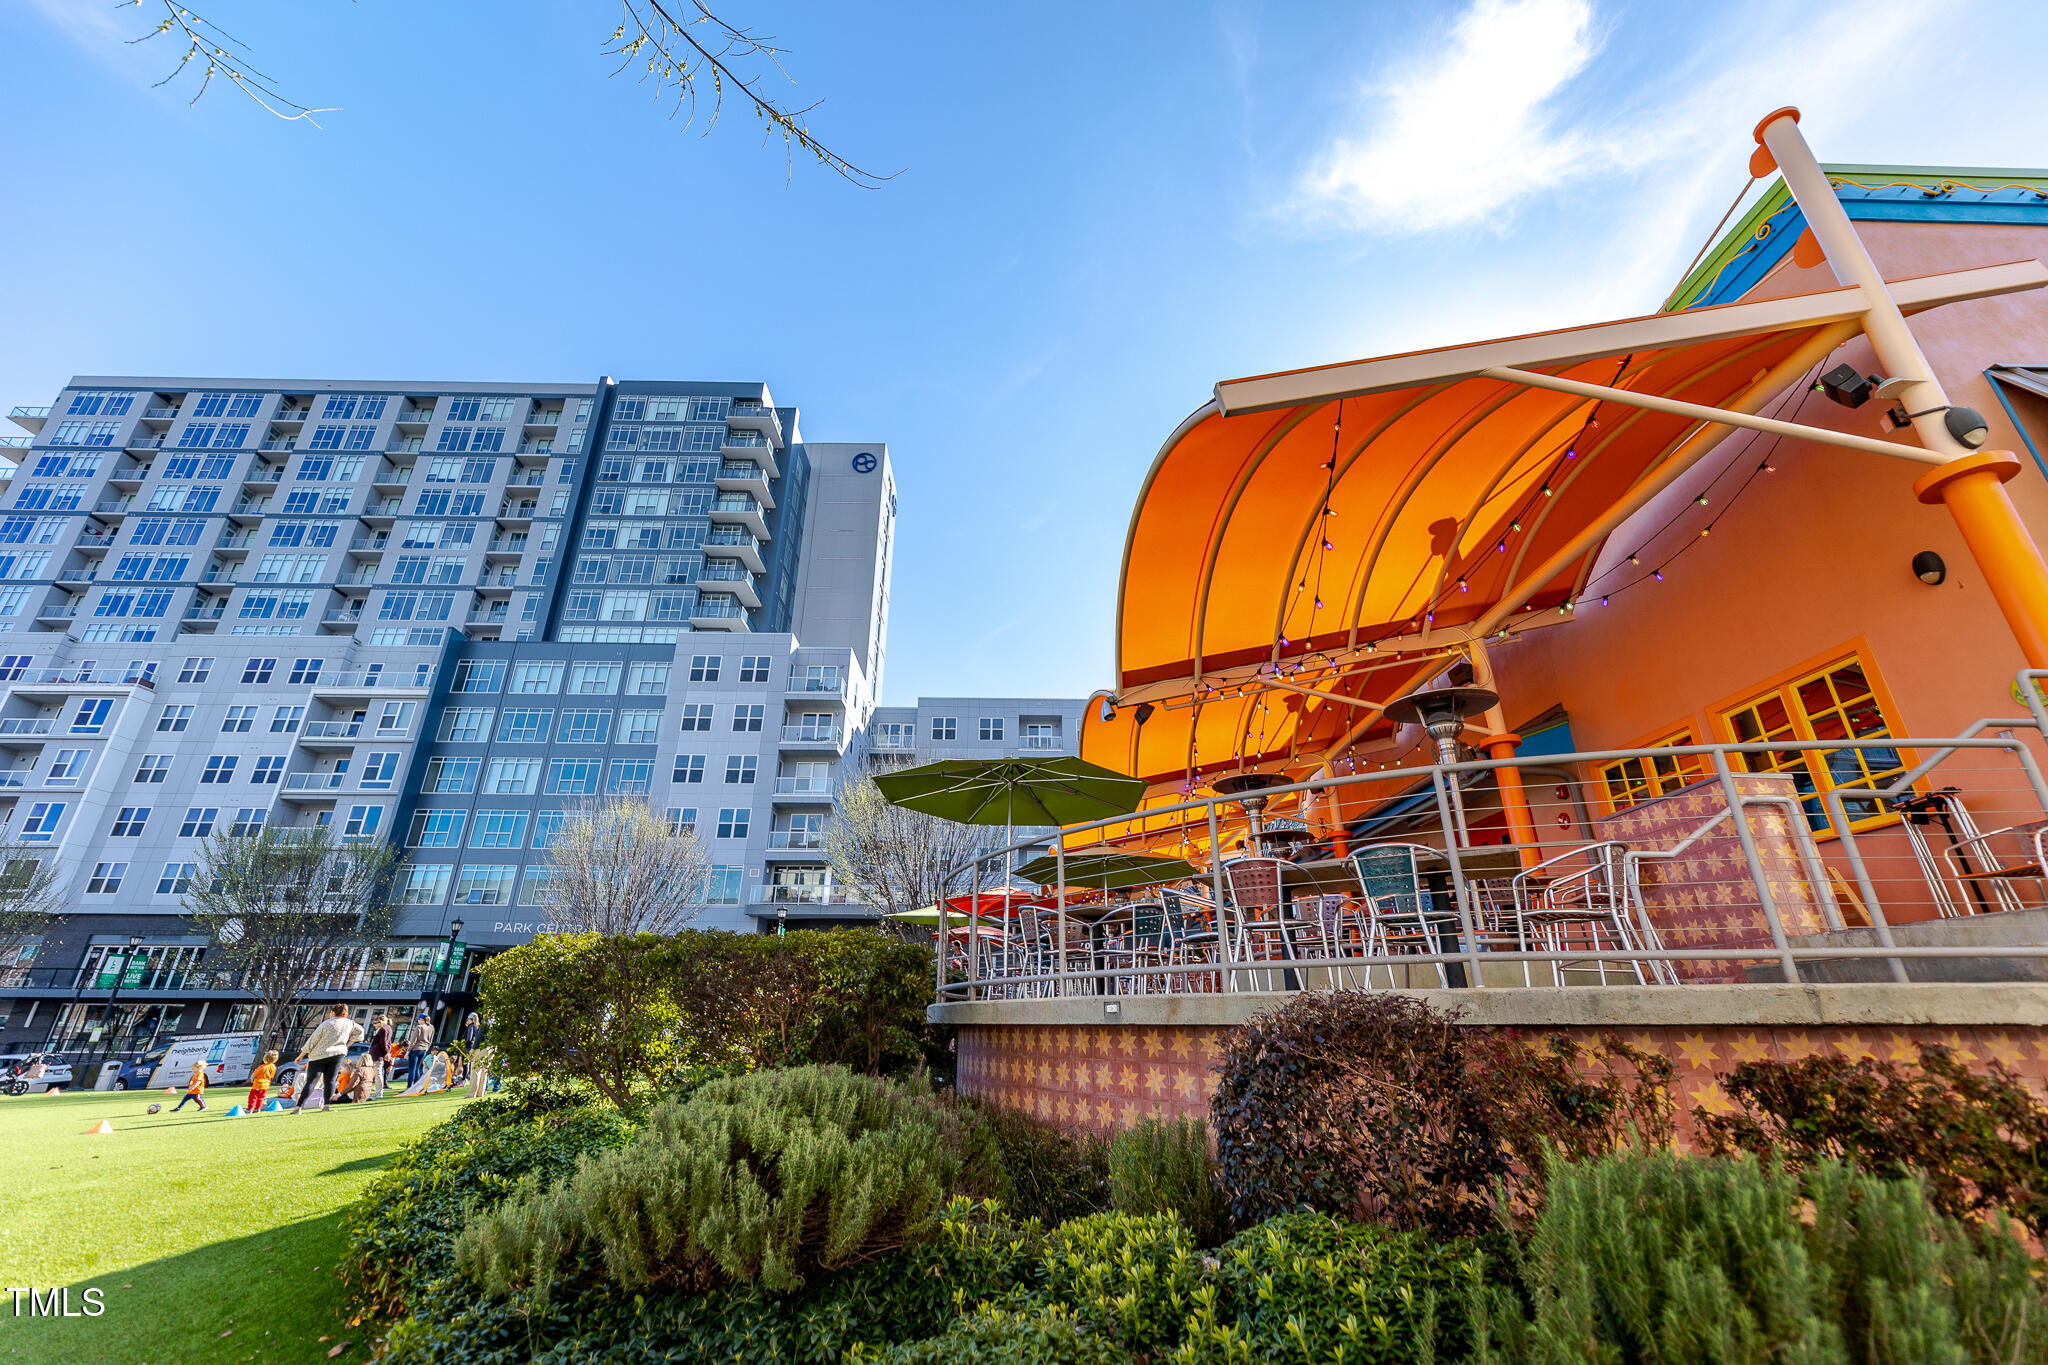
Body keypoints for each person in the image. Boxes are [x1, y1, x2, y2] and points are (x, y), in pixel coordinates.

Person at [292, 1004, 355, 1111]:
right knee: (330, 1080)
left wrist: (301, 1055)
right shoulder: (349, 1023)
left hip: (319, 1055)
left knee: (311, 1081)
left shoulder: (326, 1024)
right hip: (338, 1054)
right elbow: (361, 1032)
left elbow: (312, 1040)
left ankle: (298, 1107)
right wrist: (348, 1044)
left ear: (333, 1012)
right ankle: (326, 1106)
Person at [366, 1012, 392, 1099]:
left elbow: (384, 1042)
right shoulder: (388, 1028)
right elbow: (388, 1043)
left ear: (381, 1022)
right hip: (379, 1054)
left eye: (375, 1023)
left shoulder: (383, 1029)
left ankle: (378, 1093)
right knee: (377, 1074)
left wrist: (386, 1053)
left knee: (378, 1074)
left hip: (378, 1054)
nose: (374, 1025)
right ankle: (377, 1092)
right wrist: (388, 1052)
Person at [405, 1012, 434, 1087]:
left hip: (415, 1050)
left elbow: (413, 1041)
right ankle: (416, 1087)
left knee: (412, 1069)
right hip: (424, 1050)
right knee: (417, 1069)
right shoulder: (431, 1027)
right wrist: (426, 1049)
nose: (418, 1021)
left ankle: (408, 1088)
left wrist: (407, 1051)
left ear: (421, 1019)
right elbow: (430, 1041)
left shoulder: (419, 1027)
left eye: (418, 1020)